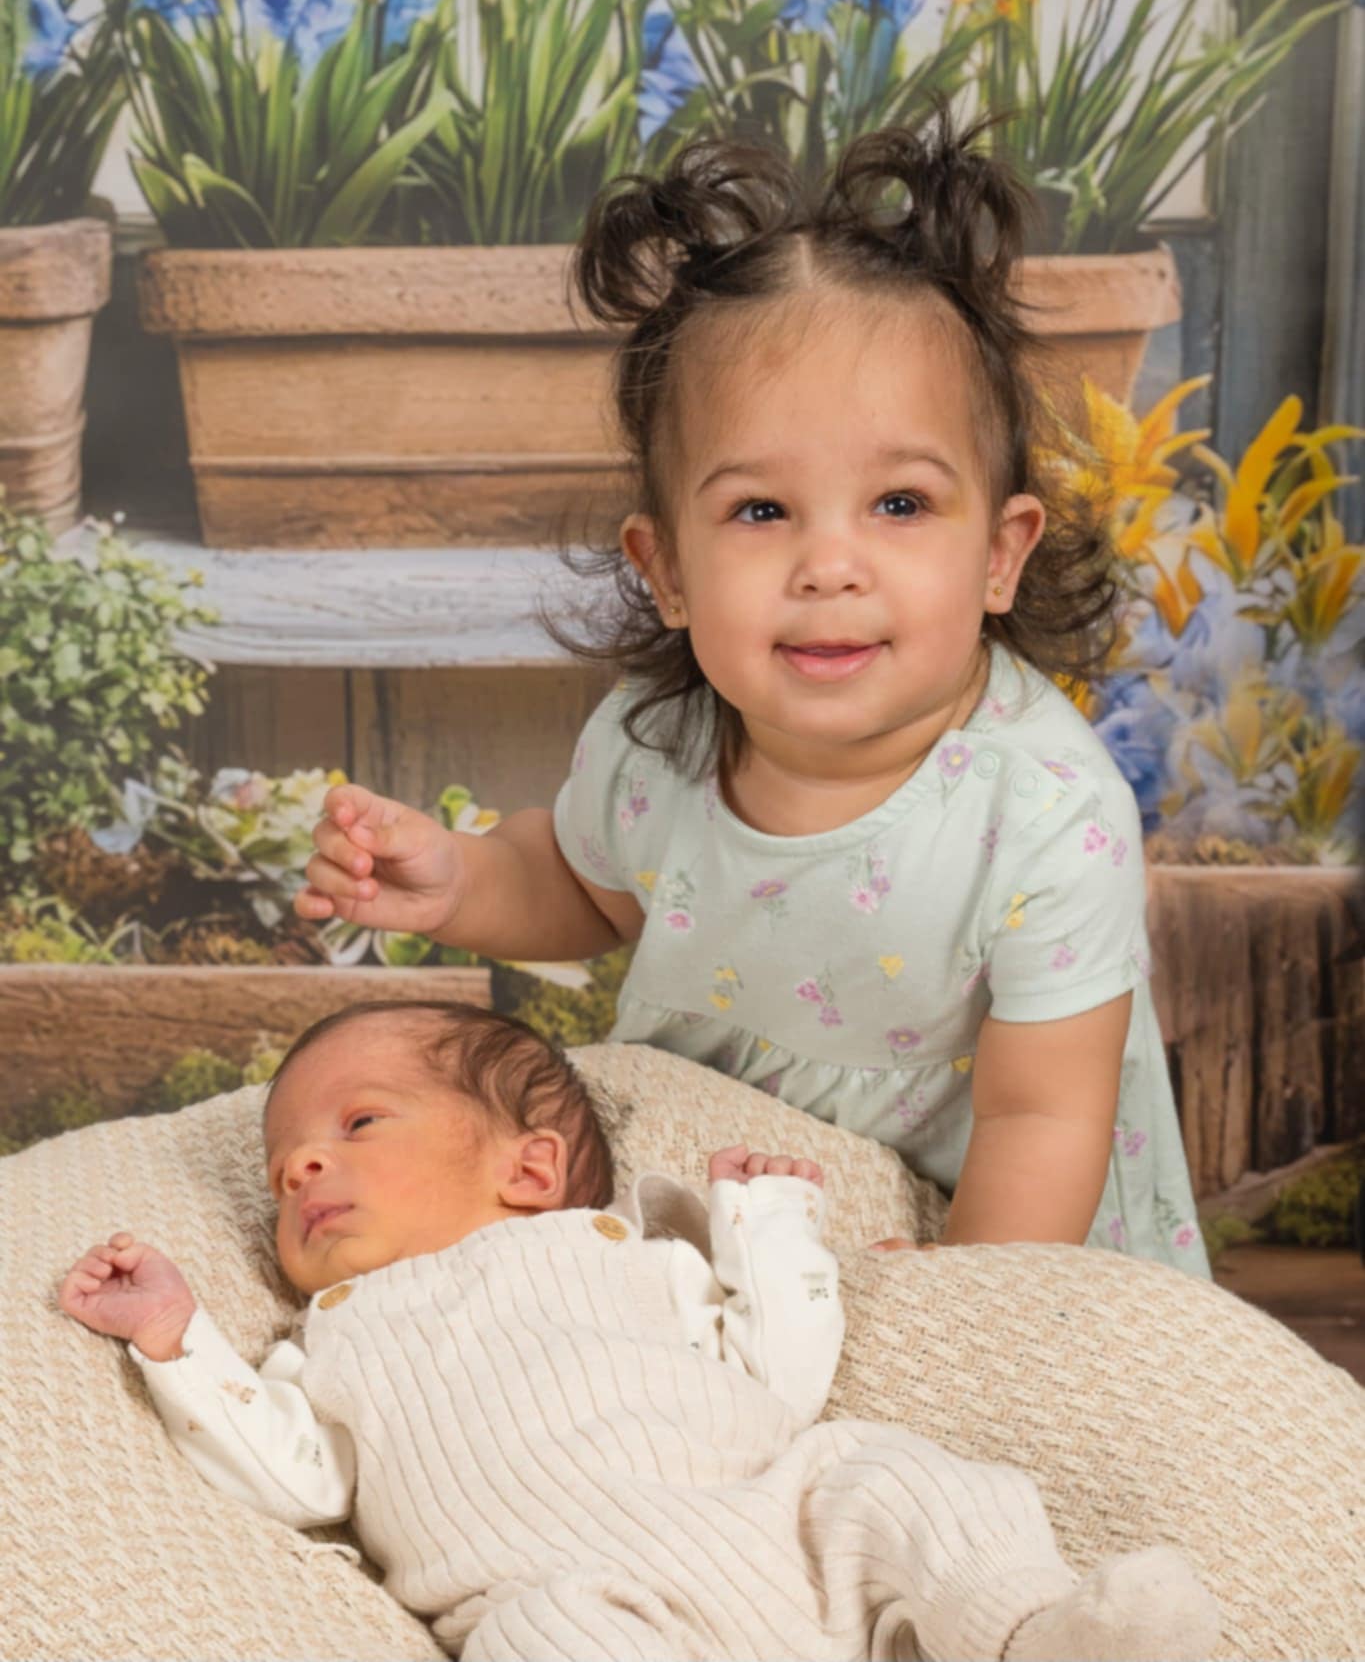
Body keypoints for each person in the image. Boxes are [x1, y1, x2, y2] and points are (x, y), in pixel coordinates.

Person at [292, 107, 1209, 1278]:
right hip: (727, 1188)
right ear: (667, 568)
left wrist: (948, 1297)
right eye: (761, 510)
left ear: (1000, 552)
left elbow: (1045, 1116)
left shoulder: (1046, 815)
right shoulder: (658, 741)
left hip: (988, 1217)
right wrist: (463, 879)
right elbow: (584, 887)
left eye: (900, 504)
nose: (830, 564)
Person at [60, 1000, 1219, 1662]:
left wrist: (767, 1223)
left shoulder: (631, 1255)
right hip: (580, 1596)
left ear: (531, 1168)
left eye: (357, 1122)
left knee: (883, 1471)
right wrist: (176, 1336)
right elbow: (291, 1476)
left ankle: (1032, 1630)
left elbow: (783, 1372)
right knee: (532, 1637)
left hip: (780, 1524)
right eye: (282, 1169)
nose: (302, 1166)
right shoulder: (333, 1337)